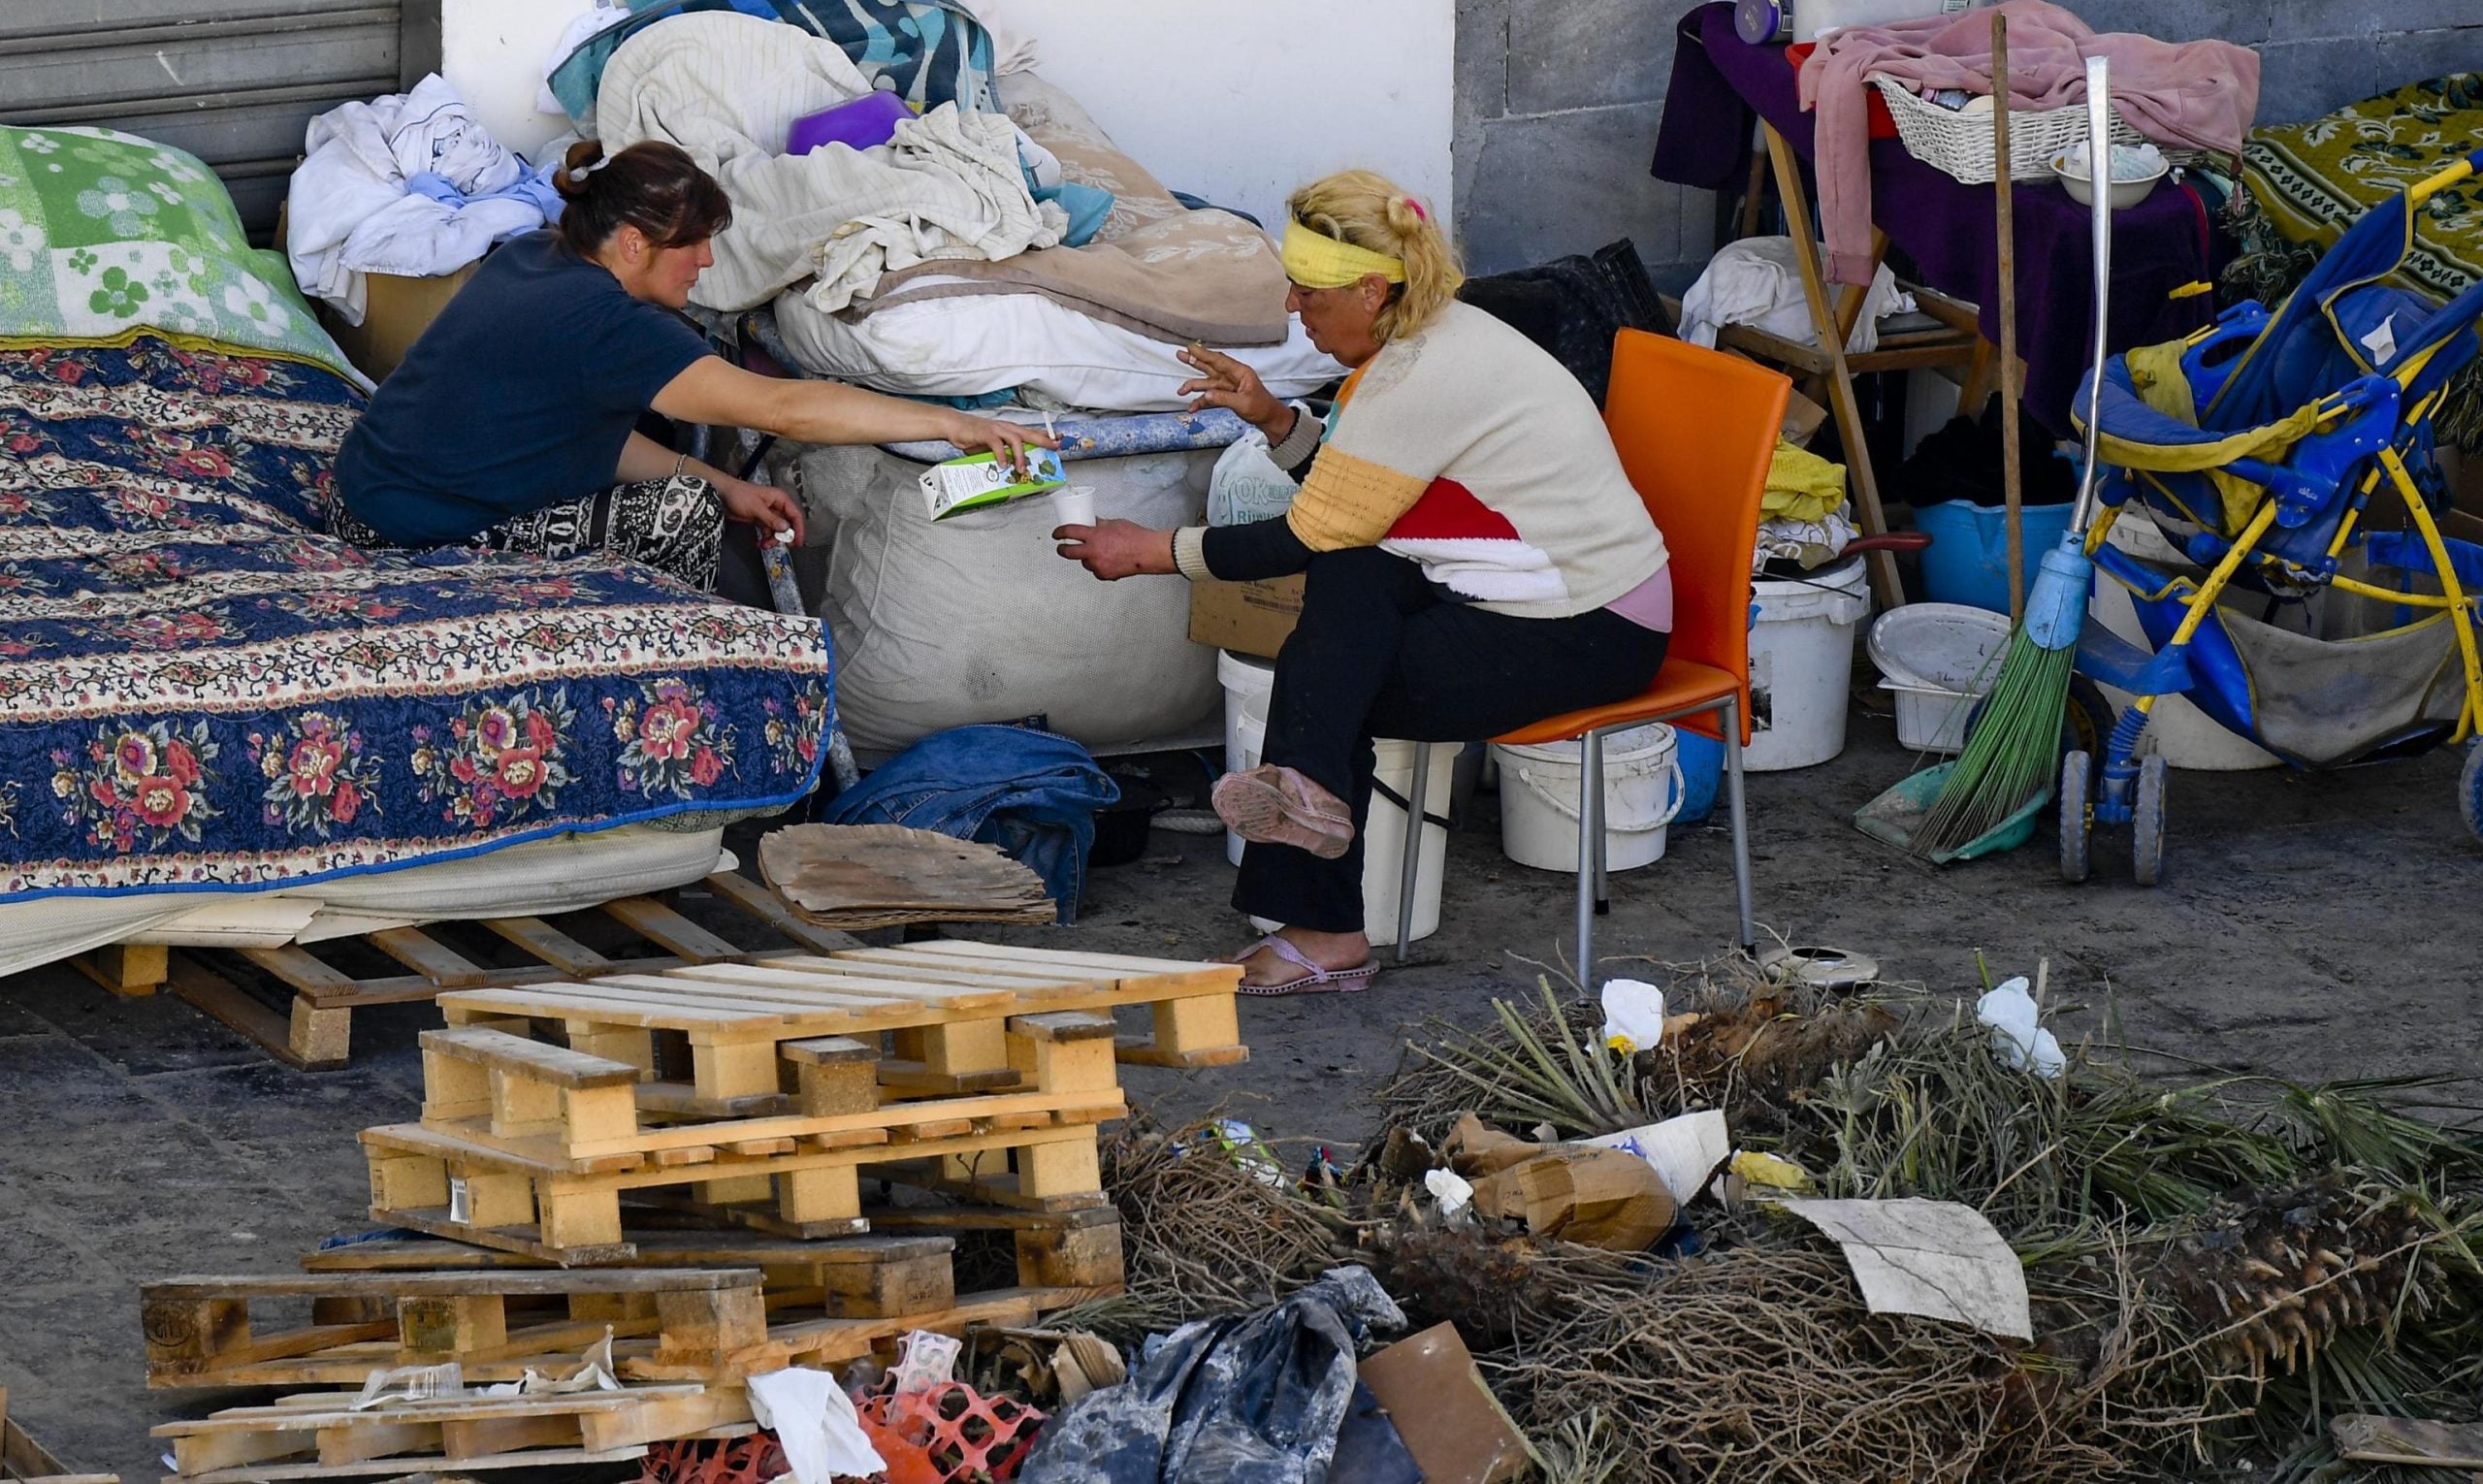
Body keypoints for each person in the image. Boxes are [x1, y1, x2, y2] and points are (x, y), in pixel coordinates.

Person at [1057, 170, 1671, 995]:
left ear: (1371, 289)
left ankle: (1321, 920)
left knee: (1334, 679)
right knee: (1349, 589)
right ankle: (1310, 830)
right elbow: (1360, 505)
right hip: (1537, 590)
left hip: (1592, 628)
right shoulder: (1435, 337)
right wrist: (1275, 420)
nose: (1291, 310)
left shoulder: (1415, 376)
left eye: (1307, 294)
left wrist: (1153, 550)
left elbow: (1308, 530)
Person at [329, 140, 1050, 602]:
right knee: (681, 515)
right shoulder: (611, 327)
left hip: (365, 491)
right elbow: (784, 410)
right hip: (411, 538)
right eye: (694, 245)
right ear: (636, 243)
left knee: (695, 490)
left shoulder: (533, 257)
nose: (706, 263)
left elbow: (580, 435)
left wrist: (728, 481)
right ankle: (664, 679)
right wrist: (954, 422)